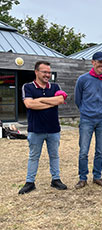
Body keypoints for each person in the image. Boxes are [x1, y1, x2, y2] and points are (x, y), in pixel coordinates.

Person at [19, 61, 68, 194]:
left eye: (49, 72)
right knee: (34, 156)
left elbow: (60, 100)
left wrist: (39, 100)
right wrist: (51, 102)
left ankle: (56, 180)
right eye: (44, 72)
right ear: (36, 72)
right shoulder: (27, 87)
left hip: (53, 129)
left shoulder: (55, 86)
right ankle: (30, 182)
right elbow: (29, 104)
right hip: (36, 129)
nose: (47, 75)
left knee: (54, 156)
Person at [74, 52, 102, 189]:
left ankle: (97, 177)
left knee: (100, 151)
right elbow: (77, 100)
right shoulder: (83, 79)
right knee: (83, 151)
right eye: (100, 62)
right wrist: (86, 111)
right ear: (93, 62)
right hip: (87, 119)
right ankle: (82, 178)